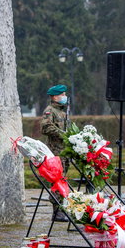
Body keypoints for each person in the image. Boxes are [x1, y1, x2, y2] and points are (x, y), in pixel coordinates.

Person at [41, 84, 70, 222]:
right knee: (57, 181)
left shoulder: (62, 112)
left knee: (63, 180)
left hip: (64, 152)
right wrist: (62, 134)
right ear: (54, 96)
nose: (65, 97)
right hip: (56, 152)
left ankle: (62, 209)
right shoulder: (50, 111)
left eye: (65, 94)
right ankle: (57, 212)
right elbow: (46, 127)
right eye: (62, 94)